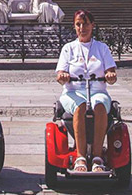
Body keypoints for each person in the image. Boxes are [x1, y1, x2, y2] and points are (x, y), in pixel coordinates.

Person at [56, 9, 117, 173]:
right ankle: (80, 156)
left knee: (100, 106)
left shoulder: (102, 48)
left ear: (92, 25)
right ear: (74, 26)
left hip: (97, 90)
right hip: (73, 91)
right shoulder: (68, 48)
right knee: (80, 105)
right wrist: (63, 76)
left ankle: (97, 157)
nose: (82, 28)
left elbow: (111, 71)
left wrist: (110, 75)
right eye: (78, 24)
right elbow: (59, 73)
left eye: (86, 24)